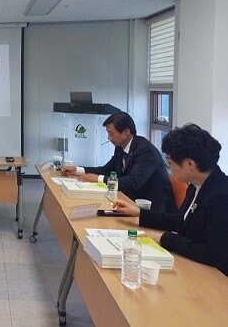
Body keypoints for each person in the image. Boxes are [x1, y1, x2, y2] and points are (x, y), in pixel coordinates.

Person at [115, 124, 228, 276]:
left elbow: (216, 255)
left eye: (170, 163)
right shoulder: (196, 185)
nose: (169, 169)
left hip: (213, 278)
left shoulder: (221, 196)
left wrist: (165, 238)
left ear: (190, 164)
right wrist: (139, 213)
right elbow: (179, 220)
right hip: (191, 266)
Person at [61, 111, 175, 213]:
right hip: (130, 202)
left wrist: (98, 178)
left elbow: (134, 182)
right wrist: (78, 170)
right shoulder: (120, 148)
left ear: (126, 132)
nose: (109, 138)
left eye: (111, 133)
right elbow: (106, 170)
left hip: (153, 211)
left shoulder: (145, 151)